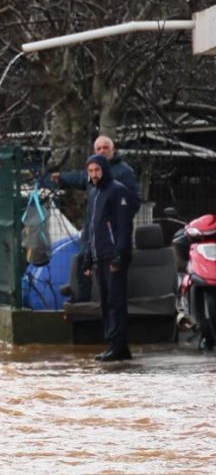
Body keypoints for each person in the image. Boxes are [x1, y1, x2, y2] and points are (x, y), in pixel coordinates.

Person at [52, 135, 140, 302]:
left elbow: (134, 200)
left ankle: (110, 304)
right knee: (83, 260)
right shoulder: (93, 173)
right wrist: (62, 178)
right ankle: (82, 300)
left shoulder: (124, 172)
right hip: (92, 230)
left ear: (113, 150)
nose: (102, 151)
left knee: (109, 269)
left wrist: (119, 219)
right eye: (98, 149)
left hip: (111, 233)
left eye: (105, 148)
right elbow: (79, 178)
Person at [82, 154, 135, 361]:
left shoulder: (117, 190)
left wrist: (119, 255)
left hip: (113, 256)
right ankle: (113, 343)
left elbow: (124, 227)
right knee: (105, 301)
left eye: (97, 170)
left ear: (104, 169)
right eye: (91, 171)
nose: (94, 175)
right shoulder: (94, 193)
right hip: (98, 256)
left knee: (116, 301)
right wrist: (87, 256)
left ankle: (119, 345)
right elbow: (90, 229)